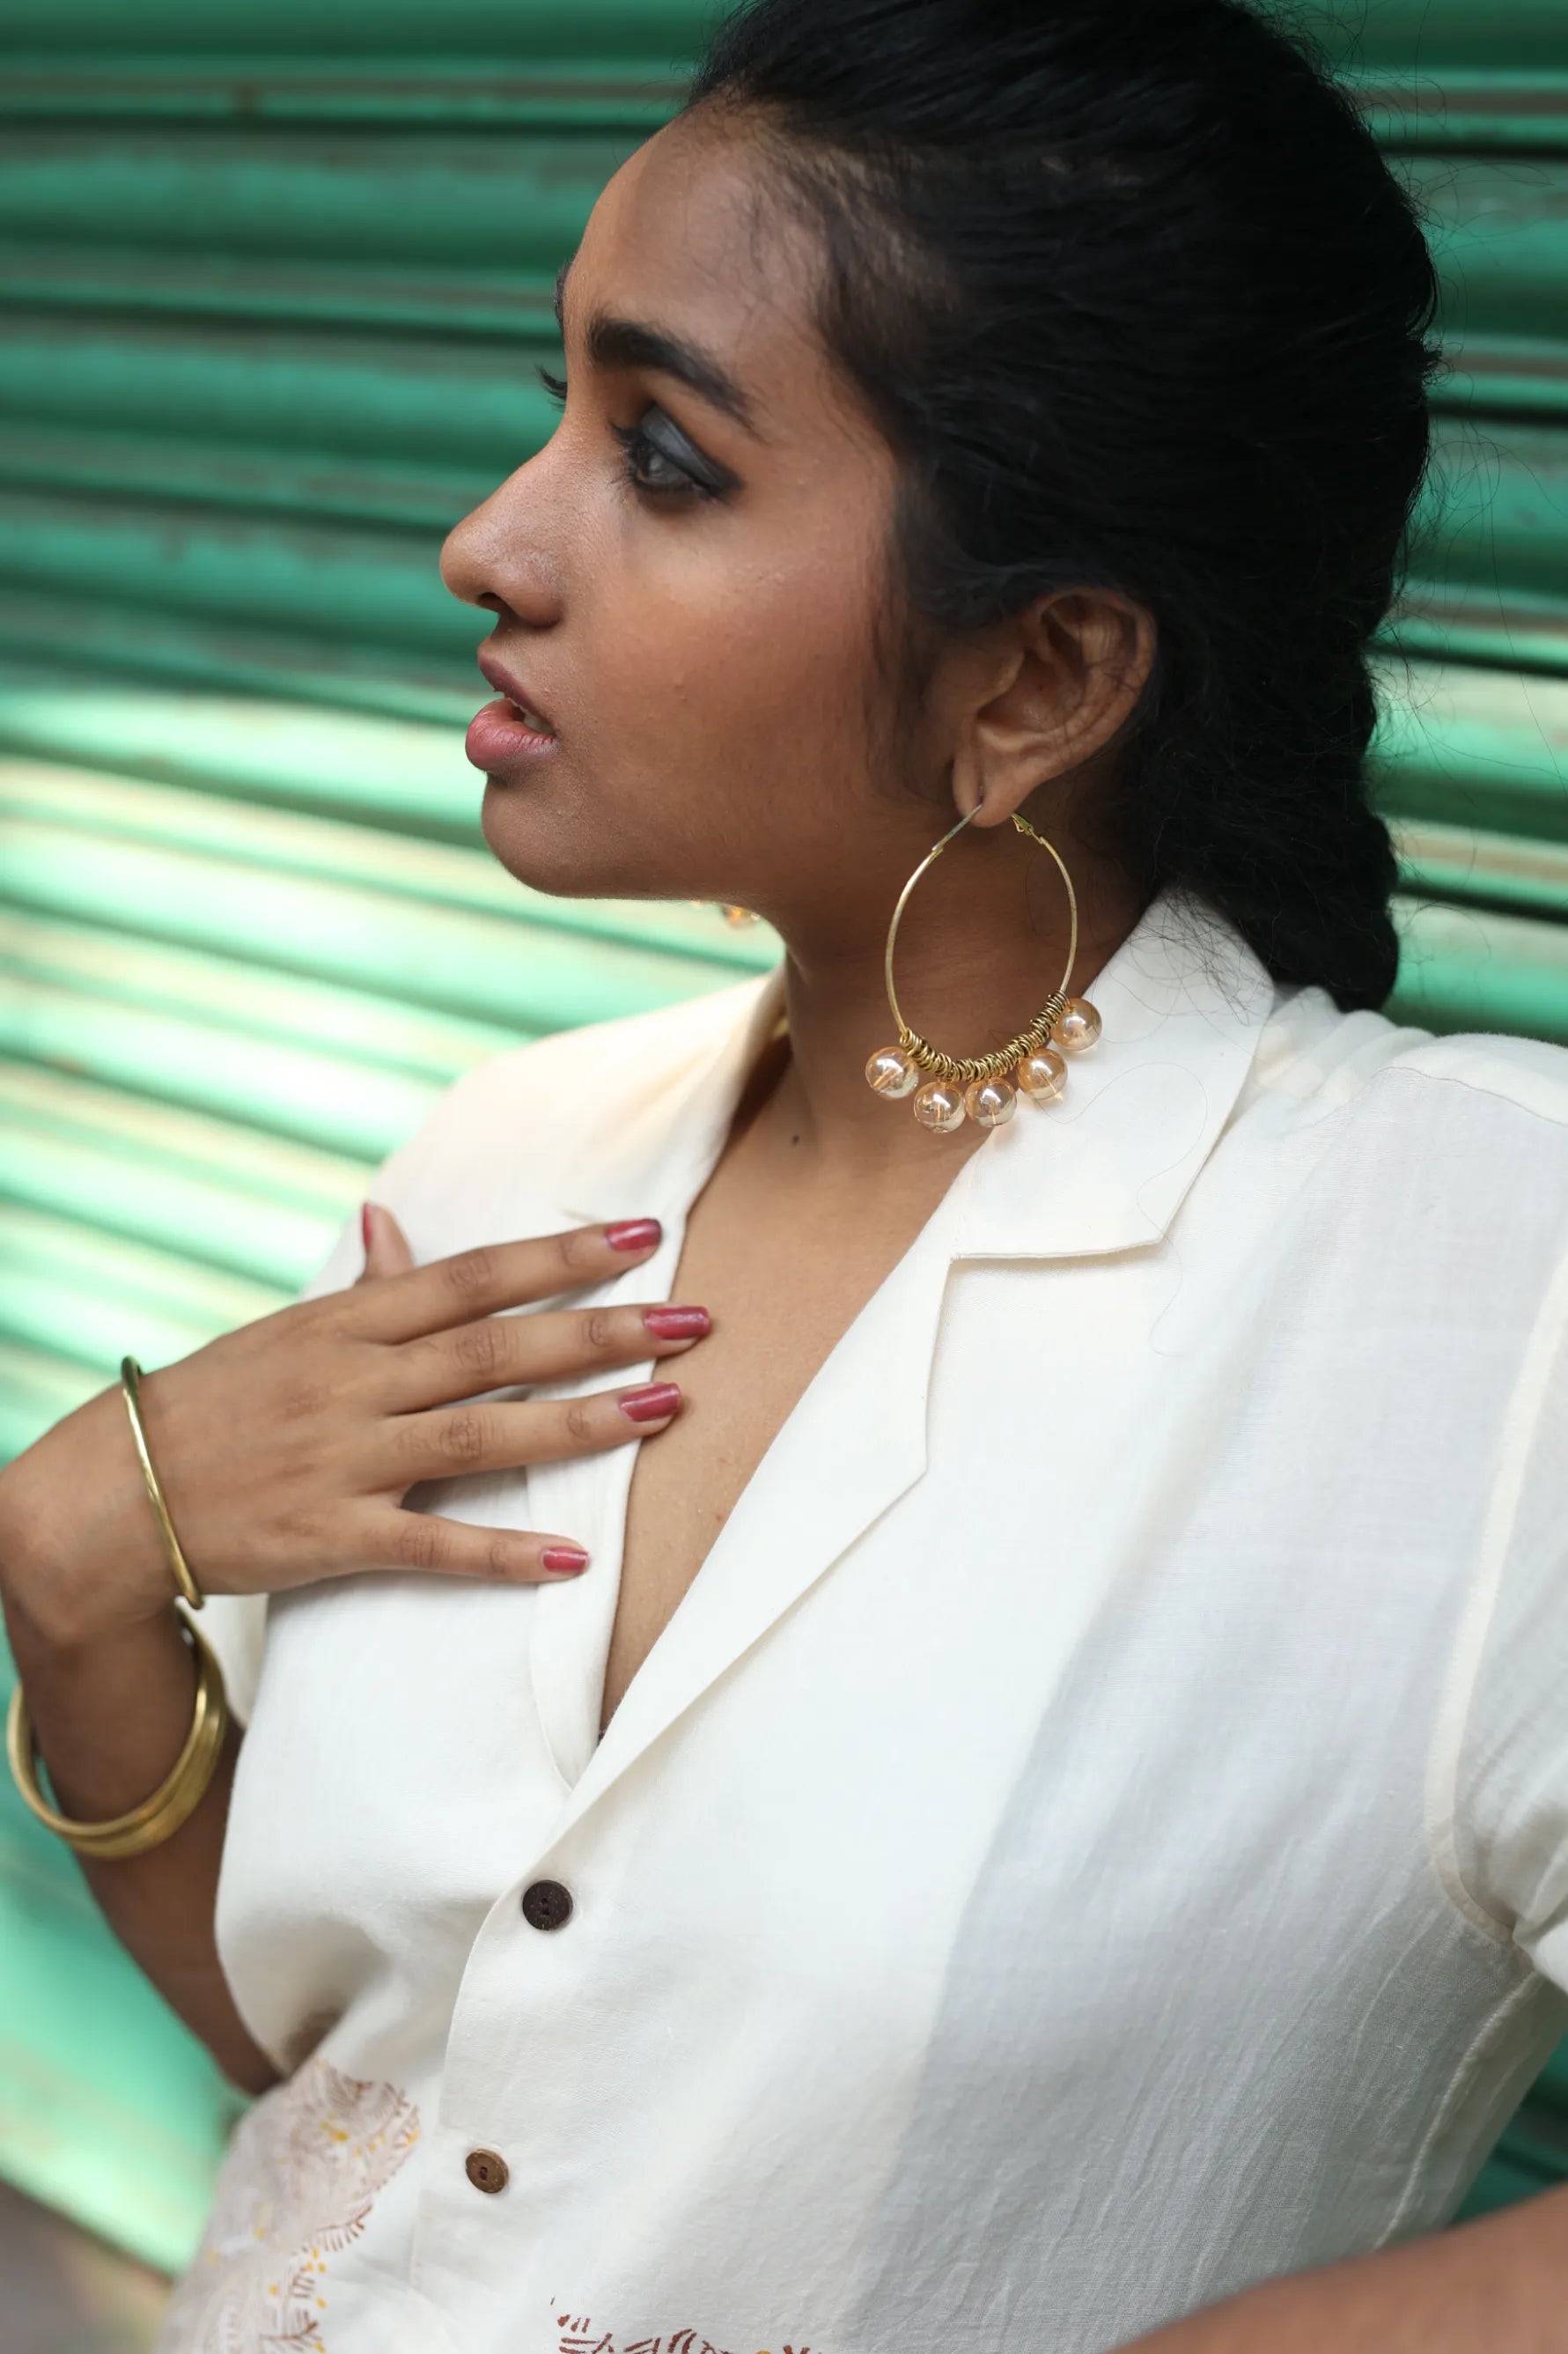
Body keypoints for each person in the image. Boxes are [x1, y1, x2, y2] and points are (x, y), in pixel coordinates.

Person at [4, 0, 1567, 2347]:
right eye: (554, 405)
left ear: (1036, 678)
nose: (485, 540)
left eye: (663, 457)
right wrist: (74, 1580)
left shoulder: (1479, 1294)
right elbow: (365, 2086)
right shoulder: (513, 1159)